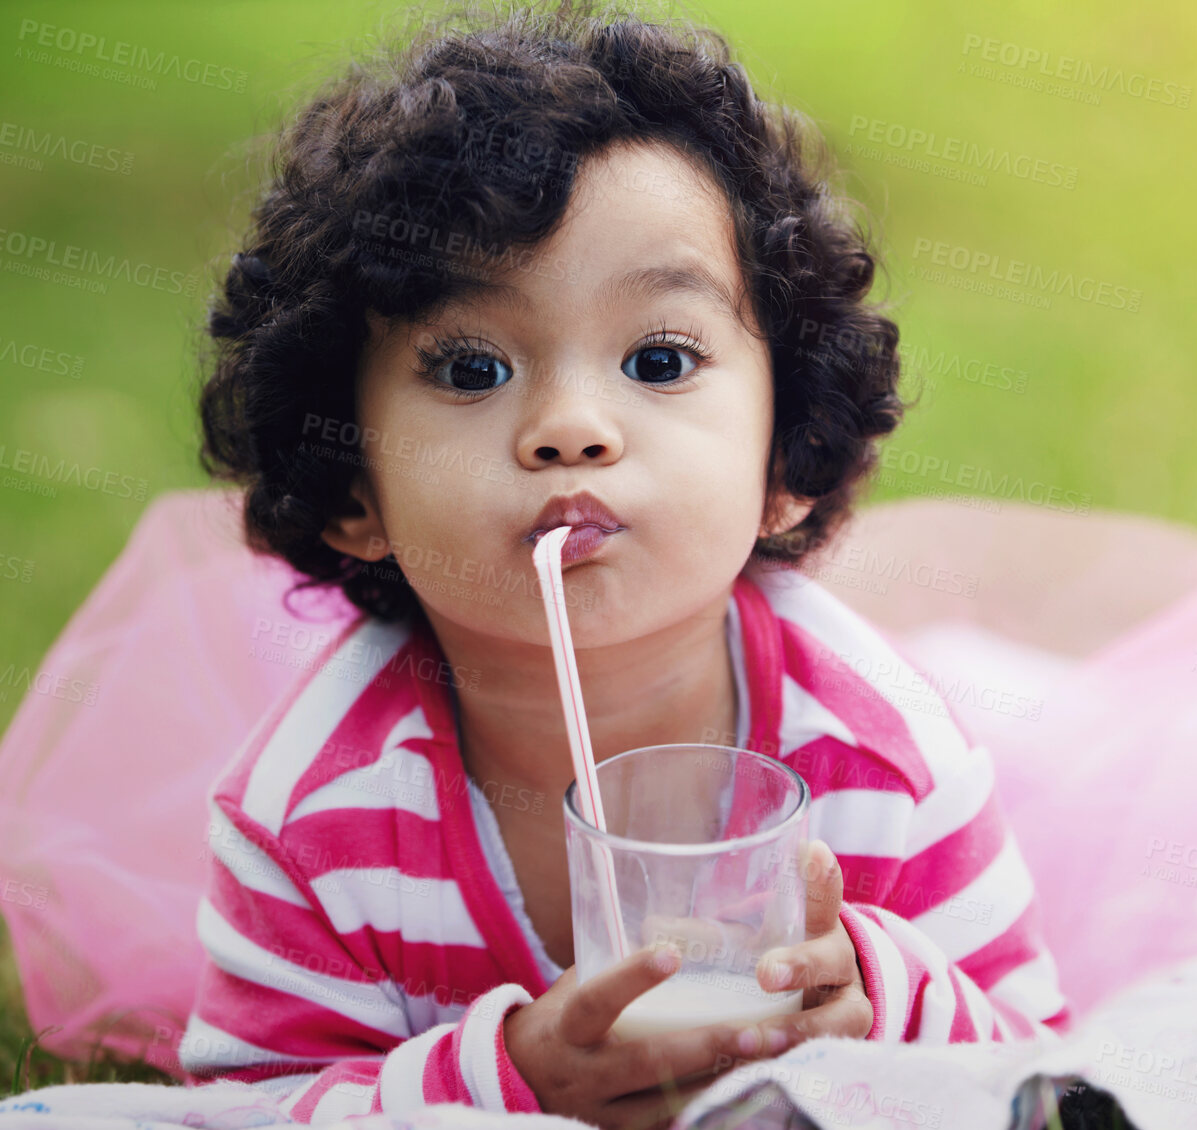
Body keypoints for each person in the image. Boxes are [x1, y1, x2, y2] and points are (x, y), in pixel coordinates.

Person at [179, 1, 1070, 1125]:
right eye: (467, 368)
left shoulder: (877, 766)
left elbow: (1041, 1079)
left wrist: (876, 999)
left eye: (658, 357)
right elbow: (254, 1108)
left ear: (784, 456)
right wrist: (509, 1083)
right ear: (355, 489)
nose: (570, 426)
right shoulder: (313, 813)